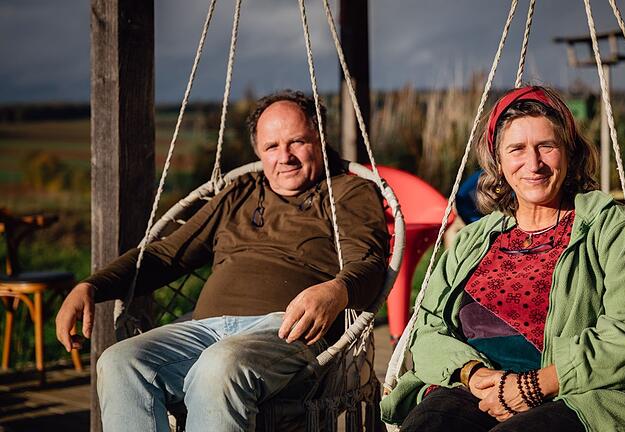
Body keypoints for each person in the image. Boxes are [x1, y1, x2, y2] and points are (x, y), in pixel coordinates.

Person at [55, 90, 390, 432]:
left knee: (219, 365)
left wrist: (337, 290)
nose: (284, 156)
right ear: (258, 151)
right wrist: (92, 285)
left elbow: (370, 262)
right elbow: (165, 254)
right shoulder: (239, 193)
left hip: (287, 332)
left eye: (297, 142)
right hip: (203, 331)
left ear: (320, 138)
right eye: (271, 147)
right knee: (120, 362)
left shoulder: (347, 194)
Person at [380, 86, 625, 431]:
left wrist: (534, 385)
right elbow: (428, 329)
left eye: (547, 146)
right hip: (475, 388)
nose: (534, 164)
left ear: (570, 154)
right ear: (498, 162)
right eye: (517, 149)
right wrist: (473, 374)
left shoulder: (609, 227)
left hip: (579, 394)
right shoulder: (474, 238)